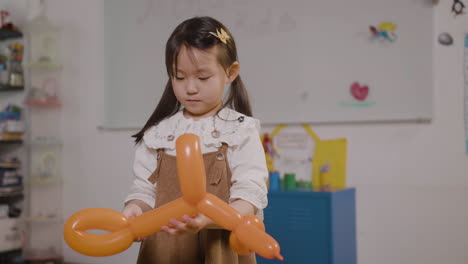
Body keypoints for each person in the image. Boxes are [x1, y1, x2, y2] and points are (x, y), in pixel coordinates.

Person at [122, 16, 268, 264]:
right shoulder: (158, 134)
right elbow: (145, 190)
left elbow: (250, 197)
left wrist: (209, 218)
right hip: (165, 246)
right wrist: (136, 208)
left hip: (220, 247)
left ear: (230, 73)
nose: (190, 88)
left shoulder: (240, 131)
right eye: (179, 77)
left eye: (202, 78)